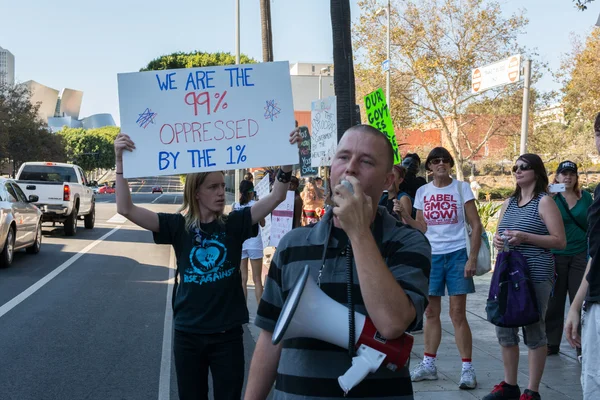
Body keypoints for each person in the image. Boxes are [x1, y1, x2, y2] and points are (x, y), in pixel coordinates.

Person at [244, 124, 431, 400]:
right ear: (331, 168)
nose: (350, 168)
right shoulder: (293, 245)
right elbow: (270, 340)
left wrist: (358, 233)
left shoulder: (408, 243)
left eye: (366, 161)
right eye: (343, 157)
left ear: (388, 180)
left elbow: (392, 323)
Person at [113, 130, 301, 400]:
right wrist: (120, 162)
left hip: (228, 337)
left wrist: (286, 163)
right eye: (213, 187)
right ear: (196, 192)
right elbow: (125, 208)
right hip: (188, 335)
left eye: (222, 186)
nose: (221, 193)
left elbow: (276, 197)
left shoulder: (235, 224)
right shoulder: (177, 226)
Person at [485, 154, 566, 400]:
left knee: (533, 328)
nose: (517, 171)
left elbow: (559, 241)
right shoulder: (509, 202)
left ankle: (532, 391)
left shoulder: (545, 202)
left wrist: (526, 237)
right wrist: (499, 240)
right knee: (505, 328)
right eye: (515, 168)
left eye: (524, 167)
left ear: (536, 172)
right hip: (508, 273)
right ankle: (510, 386)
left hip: (536, 274)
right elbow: (500, 233)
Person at [410, 147, 483, 390]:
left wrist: (471, 258)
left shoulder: (461, 188)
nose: (441, 164)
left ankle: (467, 368)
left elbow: (475, 224)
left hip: (456, 255)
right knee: (430, 313)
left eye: (445, 160)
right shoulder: (422, 191)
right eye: (435, 161)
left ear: (450, 164)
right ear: (429, 166)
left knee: (457, 313)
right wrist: (406, 217)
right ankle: (429, 365)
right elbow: (420, 227)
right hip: (432, 256)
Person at [565, 112, 600, 399]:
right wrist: (576, 305)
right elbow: (597, 252)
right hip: (596, 300)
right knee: (592, 381)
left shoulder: (587, 197)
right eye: (599, 132)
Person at [545, 161, 592, 357]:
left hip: (580, 254)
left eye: (571, 173)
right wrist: (548, 196)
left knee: (579, 300)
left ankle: (581, 344)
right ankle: (551, 342)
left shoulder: (586, 197)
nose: (568, 177)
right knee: (554, 301)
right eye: (563, 174)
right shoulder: (551, 198)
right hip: (556, 255)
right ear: (556, 177)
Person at [232, 180, 266, 304]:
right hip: (255, 244)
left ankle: (243, 311)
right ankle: (260, 311)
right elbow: (262, 223)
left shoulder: (235, 206)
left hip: (241, 244)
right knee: (257, 279)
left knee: (242, 279)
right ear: (252, 192)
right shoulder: (256, 205)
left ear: (240, 192)